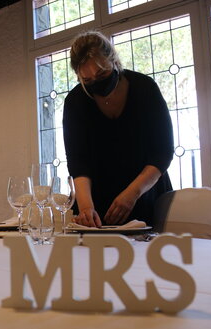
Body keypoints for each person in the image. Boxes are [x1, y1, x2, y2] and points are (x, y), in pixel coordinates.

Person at [63, 31, 174, 227]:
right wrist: (87, 208)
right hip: (96, 200)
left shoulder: (145, 89)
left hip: (144, 192)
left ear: (114, 61)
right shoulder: (75, 102)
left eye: (102, 74)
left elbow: (162, 153)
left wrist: (132, 194)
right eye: (87, 80)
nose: (96, 83)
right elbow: (78, 162)